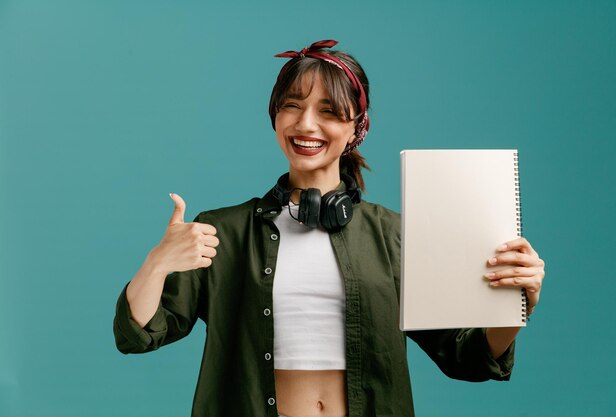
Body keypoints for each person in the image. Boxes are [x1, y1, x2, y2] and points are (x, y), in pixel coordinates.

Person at [113, 39, 546, 417]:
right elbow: (139, 334)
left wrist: (515, 304)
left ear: (356, 126)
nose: (305, 125)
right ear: (275, 117)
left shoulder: (395, 236)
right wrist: (157, 263)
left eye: (328, 111)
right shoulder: (221, 232)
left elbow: (465, 356)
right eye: (292, 106)